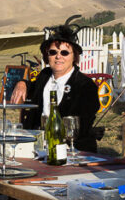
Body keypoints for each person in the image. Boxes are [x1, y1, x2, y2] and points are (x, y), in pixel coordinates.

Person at [9, 18, 103, 151]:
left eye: (64, 52)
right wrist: (22, 83)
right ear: (47, 56)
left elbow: (82, 127)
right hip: (39, 147)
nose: (58, 57)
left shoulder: (85, 85)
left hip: (73, 149)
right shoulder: (45, 76)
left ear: (74, 56)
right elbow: (32, 88)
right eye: (53, 52)